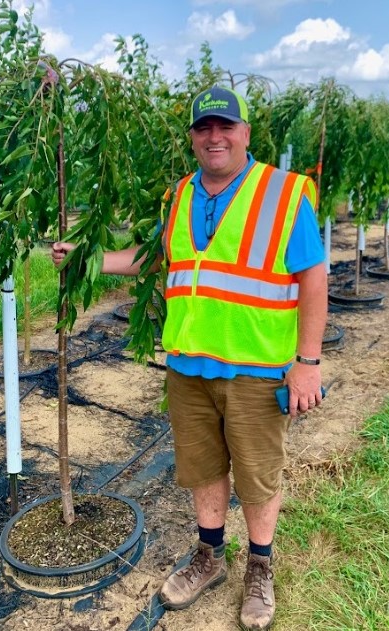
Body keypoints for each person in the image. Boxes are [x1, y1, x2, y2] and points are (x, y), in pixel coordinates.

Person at [52, 85, 327, 631]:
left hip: (257, 368)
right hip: (189, 368)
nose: (215, 137)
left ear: (245, 133)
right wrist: (89, 260)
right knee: (202, 469)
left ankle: (260, 567)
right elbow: (157, 259)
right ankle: (209, 557)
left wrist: (308, 362)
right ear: (193, 138)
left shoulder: (285, 193)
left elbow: (314, 278)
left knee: (256, 475)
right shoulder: (180, 195)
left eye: (226, 127)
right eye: (204, 128)